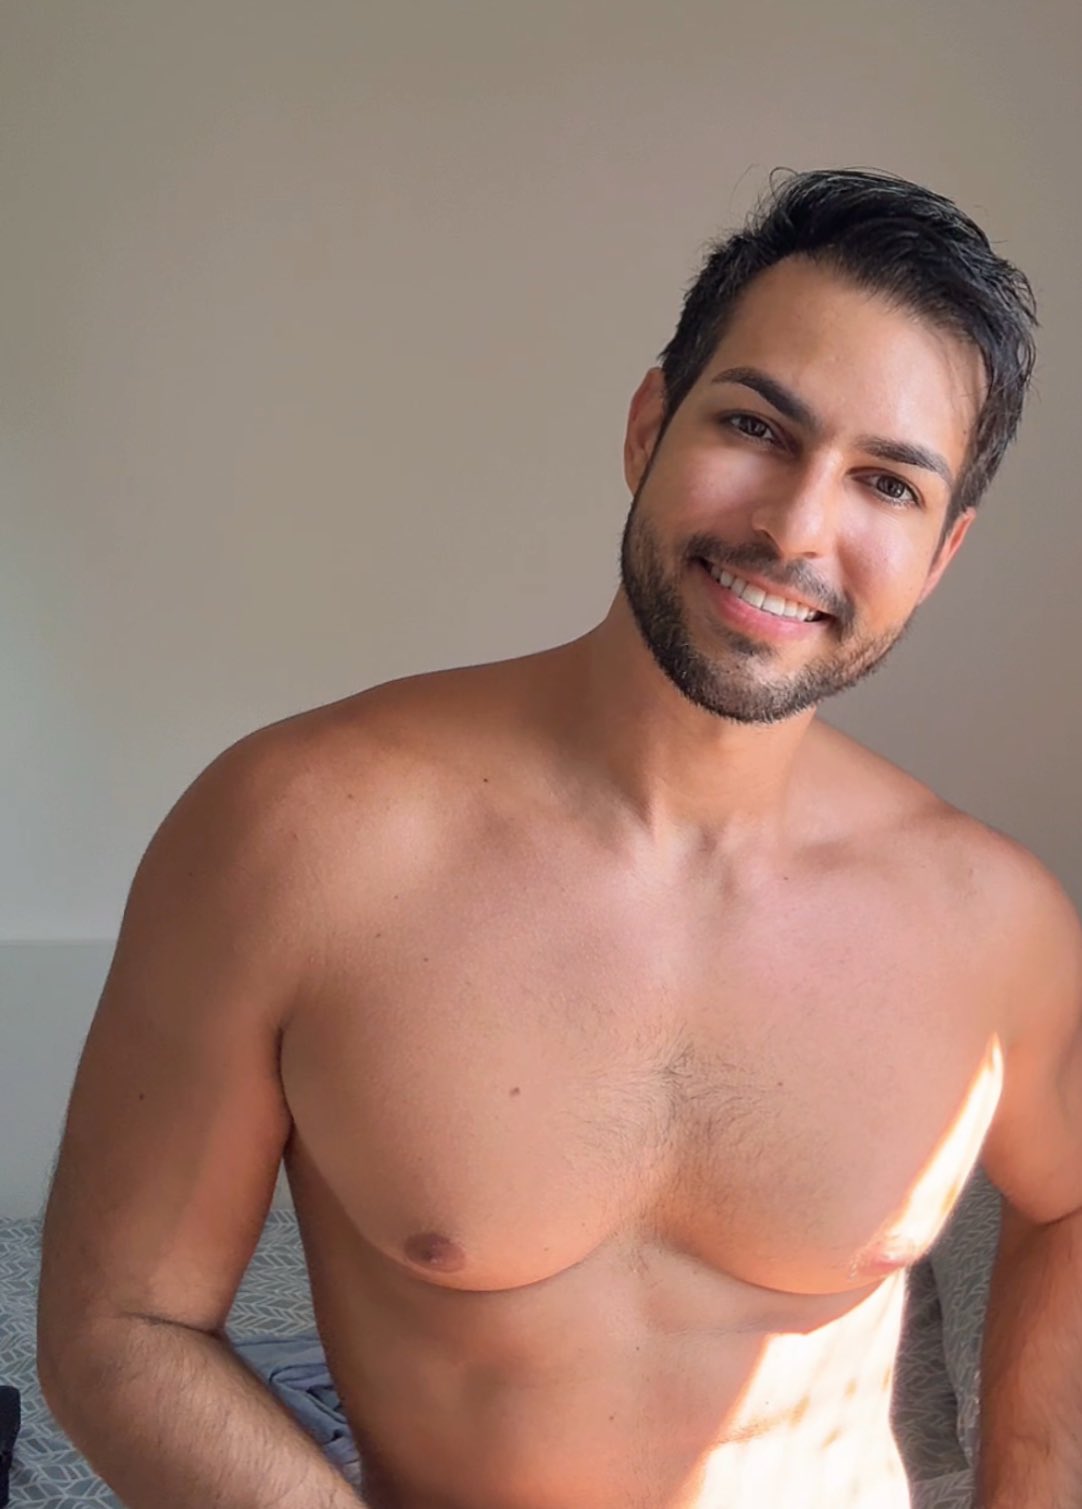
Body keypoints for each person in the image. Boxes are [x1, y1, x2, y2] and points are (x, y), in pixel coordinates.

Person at [35, 168, 1082, 1509]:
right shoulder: (296, 838)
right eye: (755, 426)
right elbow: (119, 1325)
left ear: (939, 555)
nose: (796, 527)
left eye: (886, 482)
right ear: (649, 425)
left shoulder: (993, 924)